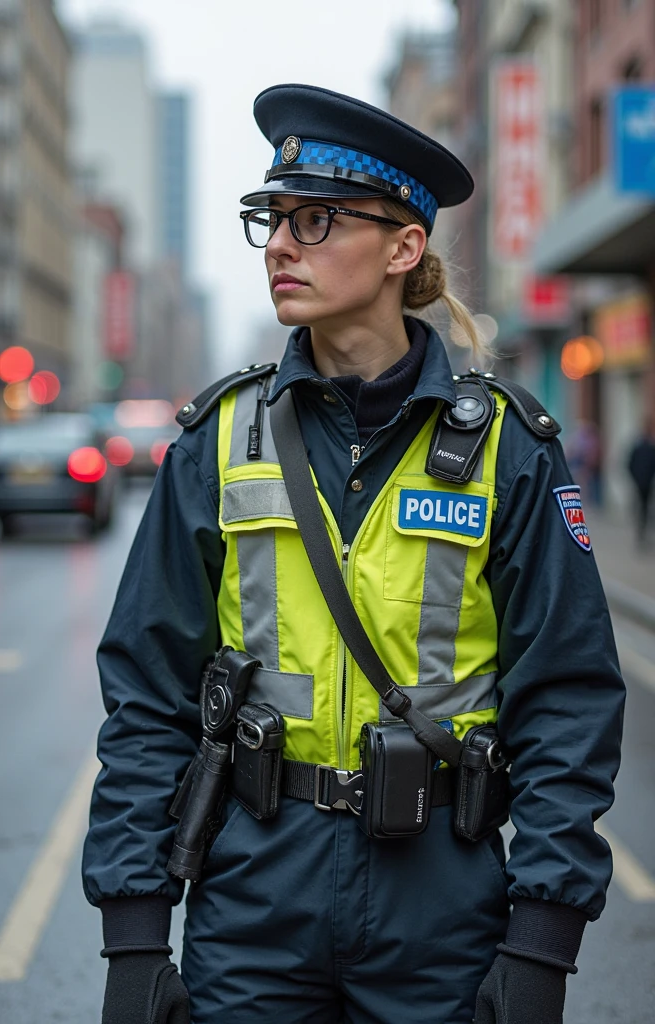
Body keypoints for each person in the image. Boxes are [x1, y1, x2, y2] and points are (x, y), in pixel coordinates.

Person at [83, 84, 625, 1024]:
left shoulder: (510, 448)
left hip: (442, 903)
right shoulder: (216, 439)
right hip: (253, 893)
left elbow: (569, 701)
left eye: (318, 218)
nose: (282, 245)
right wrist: (134, 939)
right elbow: (144, 696)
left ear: (403, 247)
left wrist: (541, 948)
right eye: (273, 219)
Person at [627, 417, 655, 548]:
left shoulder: (650, 447)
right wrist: (636, 478)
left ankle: (643, 533)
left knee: (645, 509)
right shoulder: (639, 448)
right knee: (641, 508)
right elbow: (630, 464)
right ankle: (640, 533)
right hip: (640, 483)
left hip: (646, 483)